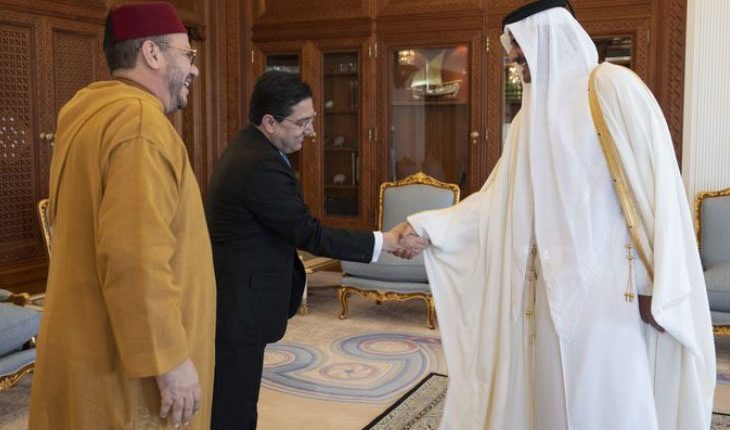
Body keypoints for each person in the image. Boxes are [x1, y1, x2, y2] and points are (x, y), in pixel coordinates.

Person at [405, 1, 716, 429]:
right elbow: (497, 202)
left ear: (549, 40)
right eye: (515, 61)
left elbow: (654, 188)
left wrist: (653, 283)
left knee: (610, 397)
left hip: (612, 290)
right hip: (548, 292)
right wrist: (427, 226)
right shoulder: (528, 120)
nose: (519, 70)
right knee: (551, 398)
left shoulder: (610, 88)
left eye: (522, 58)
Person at [28, 3, 215, 429]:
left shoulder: (88, 113)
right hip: (129, 375)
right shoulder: (139, 125)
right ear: (152, 53)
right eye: (188, 55)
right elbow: (135, 256)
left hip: (86, 348)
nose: (194, 69)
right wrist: (170, 361)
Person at [205, 70, 427, 429]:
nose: (311, 131)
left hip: (238, 298)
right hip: (240, 306)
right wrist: (385, 241)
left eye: (312, 120)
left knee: (237, 402)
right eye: (302, 122)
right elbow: (309, 233)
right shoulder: (259, 164)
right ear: (270, 122)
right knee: (234, 409)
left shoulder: (251, 148)